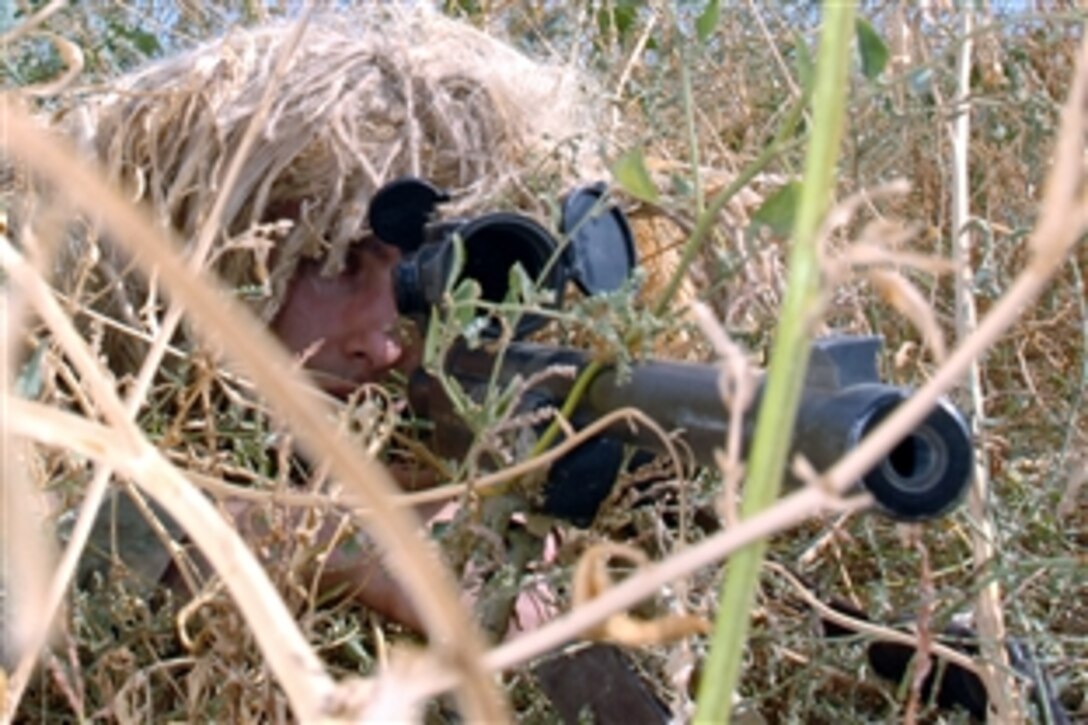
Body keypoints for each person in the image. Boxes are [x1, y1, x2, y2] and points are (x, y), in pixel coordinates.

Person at [58, 6, 603, 637]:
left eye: (432, 280)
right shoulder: (55, 395)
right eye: (334, 263)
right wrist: (288, 537)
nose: (384, 343)